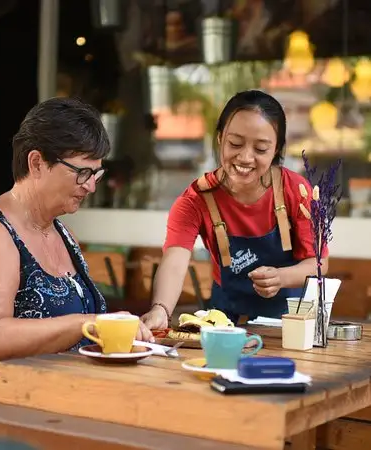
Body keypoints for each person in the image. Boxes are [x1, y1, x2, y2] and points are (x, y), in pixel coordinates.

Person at [0, 97, 153, 448]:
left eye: (97, 174)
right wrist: (86, 324)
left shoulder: (60, 232)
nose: (91, 186)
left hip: (48, 416)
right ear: (37, 162)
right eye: (82, 172)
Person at [141, 90, 328, 330]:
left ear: (276, 149)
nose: (246, 157)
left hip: (289, 324)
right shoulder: (195, 200)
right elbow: (175, 262)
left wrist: (280, 278)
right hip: (225, 323)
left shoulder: (297, 191)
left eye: (260, 149)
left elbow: (318, 263)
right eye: (235, 143)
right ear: (220, 138)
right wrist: (161, 309)